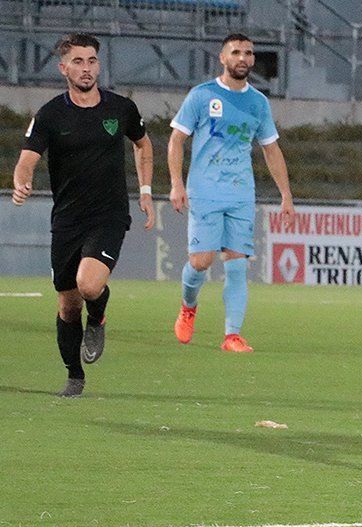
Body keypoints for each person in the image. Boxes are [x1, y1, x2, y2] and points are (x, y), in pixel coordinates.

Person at [12, 33, 155, 397]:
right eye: (78, 61)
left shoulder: (120, 108)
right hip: (67, 221)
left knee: (89, 284)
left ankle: (99, 317)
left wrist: (145, 191)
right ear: (63, 68)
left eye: (91, 61)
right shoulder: (49, 114)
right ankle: (74, 377)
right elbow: (27, 159)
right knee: (67, 304)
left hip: (108, 215)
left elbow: (143, 144)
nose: (86, 68)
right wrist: (21, 183)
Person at [168, 32, 295, 352]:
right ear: (223, 58)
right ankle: (188, 306)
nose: (243, 58)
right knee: (200, 262)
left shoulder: (258, 102)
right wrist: (176, 183)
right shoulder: (202, 95)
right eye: (236, 52)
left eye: (249, 53)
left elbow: (271, 150)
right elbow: (176, 140)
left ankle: (232, 335)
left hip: (240, 192)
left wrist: (286, 194)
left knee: (237, 263)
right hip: (205, 191)